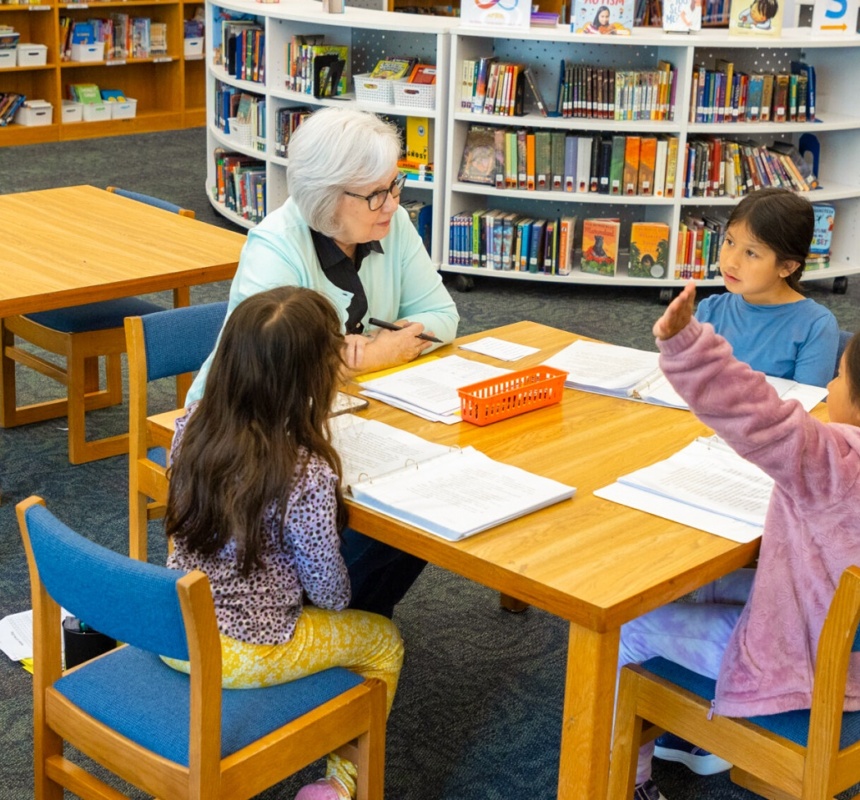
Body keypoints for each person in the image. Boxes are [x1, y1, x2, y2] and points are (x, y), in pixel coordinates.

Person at [187, 106, 460, 620]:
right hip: (255, 425)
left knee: (426, 505)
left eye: (395, 185)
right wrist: (384, 351)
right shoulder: (275, 247)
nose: (392, 204)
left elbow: (442, 315)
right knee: (401, 513)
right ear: (325, 197)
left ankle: (343, 615)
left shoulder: (390, 221)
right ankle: (320, 620)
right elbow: (279, 367)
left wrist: (357, 359)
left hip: (348, 412)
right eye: (375, 193)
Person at [618, 281, 860, 800]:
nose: (832, 385)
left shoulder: (836, 462)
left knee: (629, 629)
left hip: (812, 665)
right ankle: (688, 736)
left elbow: (758, 416)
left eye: (838, 375)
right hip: (842, 639)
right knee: (719, 583)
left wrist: (686, 345)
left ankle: (629, 784)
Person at [163, 286, 405, 800]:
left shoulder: (189, 428)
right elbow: (331, 593)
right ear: (311, 379)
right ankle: (341, 785)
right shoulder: (305, 472)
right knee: (383, 640)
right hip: (243, 649)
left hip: (172, 631)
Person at [694, 187, 839, 388]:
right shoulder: (710, 310)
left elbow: (806, 408)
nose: (731, 262)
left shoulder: (815, 326)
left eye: (751, 253)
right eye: (730, 242)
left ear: (787, 266)